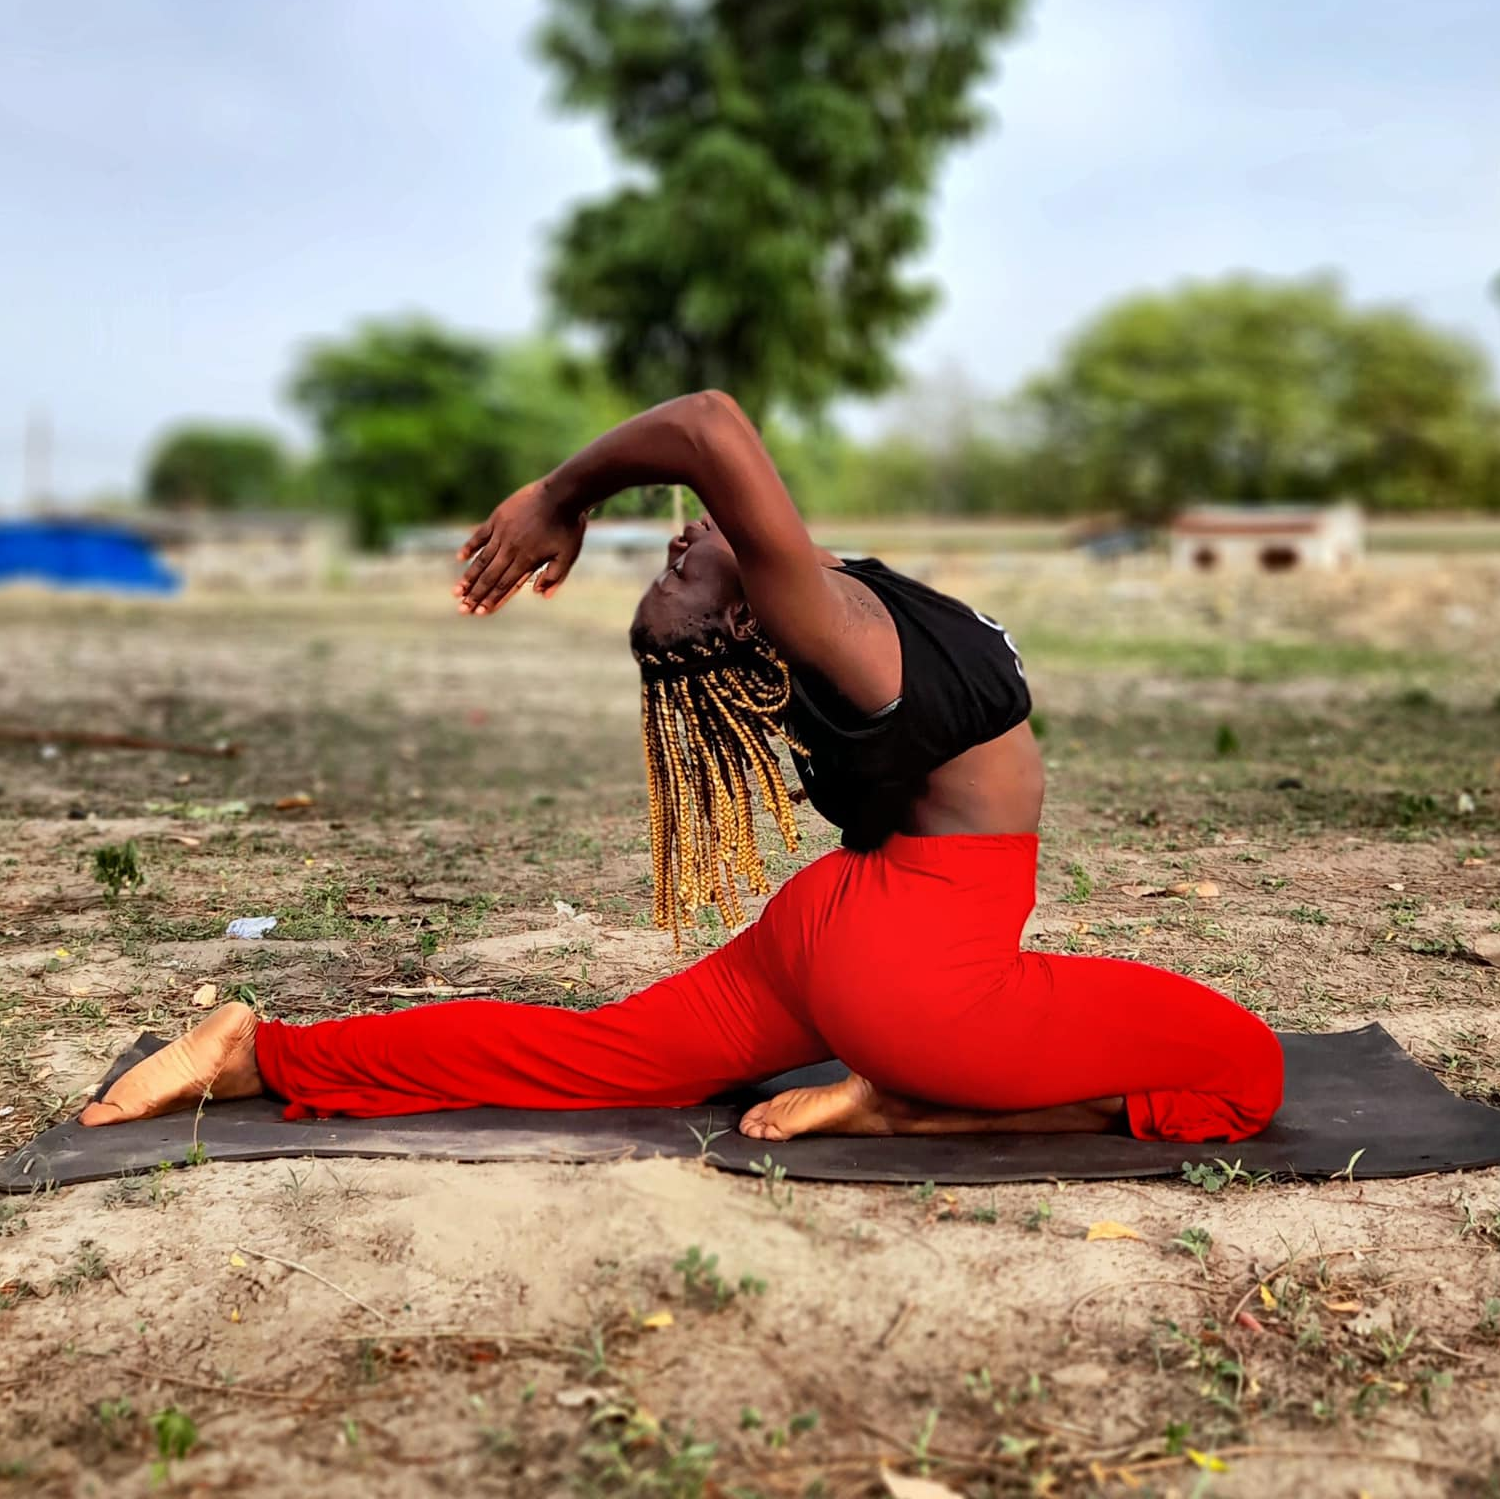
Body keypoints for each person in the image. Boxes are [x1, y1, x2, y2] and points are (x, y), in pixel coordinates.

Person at [81, 392, 1284, 1144]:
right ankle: (909, 1099)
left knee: (583, 1056)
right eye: (675, 579)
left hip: (837, 926)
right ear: (753, 623)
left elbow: (726, 471)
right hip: (919, 980)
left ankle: (261, 1053)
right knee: (1244, 1068)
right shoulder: (822, 624)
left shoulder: (831, 608)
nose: (674, 541)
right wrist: (560, 493)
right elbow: (708, 427)